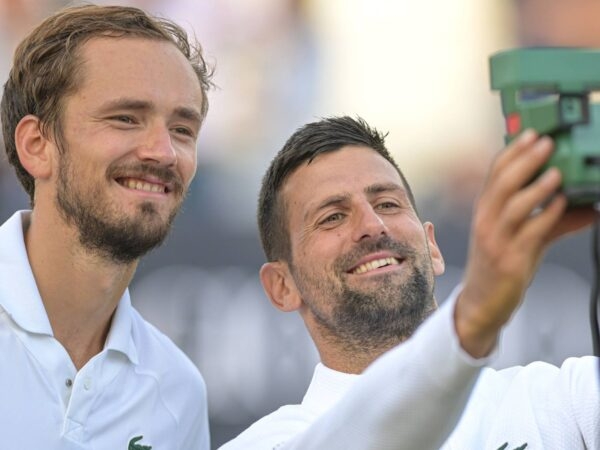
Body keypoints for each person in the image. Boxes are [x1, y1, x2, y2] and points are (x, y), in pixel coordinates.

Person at [220, 116, 600, 449]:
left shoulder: (563, 400)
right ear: (282, 286)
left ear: (432, 246)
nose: (372, 226)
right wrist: (473, 316)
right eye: (333, 217)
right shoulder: (268, 442)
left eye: (387, 203)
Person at [0, 4, 213, 449]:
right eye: (125, 118)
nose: (164, 152)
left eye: (182, 129)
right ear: (37, 145)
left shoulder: (179, 392)